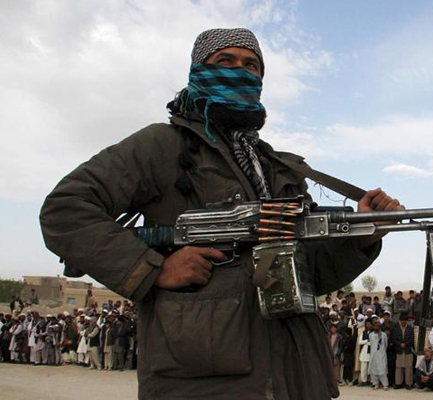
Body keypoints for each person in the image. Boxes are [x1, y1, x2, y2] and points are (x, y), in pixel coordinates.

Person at [39, 28, 403, 400]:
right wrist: (155, 269)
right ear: (198, 70)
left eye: (251, 65)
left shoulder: (277, 166)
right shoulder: (161, 146)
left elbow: (310, 275)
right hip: (203, 380)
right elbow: (65, 210)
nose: (239, 72)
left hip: (296, 377)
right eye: (224, 62)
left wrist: (364, 234)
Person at [393, 313, 414, 389]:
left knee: (408, 367)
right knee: (399, 367)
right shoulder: (396, 328)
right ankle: (398, 383)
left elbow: (412, 339)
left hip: (408, 350)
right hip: (399, 350)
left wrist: (405, 344)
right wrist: (400, 344)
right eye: (402, 320)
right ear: (399, 321)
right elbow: (394, 339)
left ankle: (408, 384)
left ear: (407, 321)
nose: (403, 322)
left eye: (405, 320)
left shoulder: (410, 328)